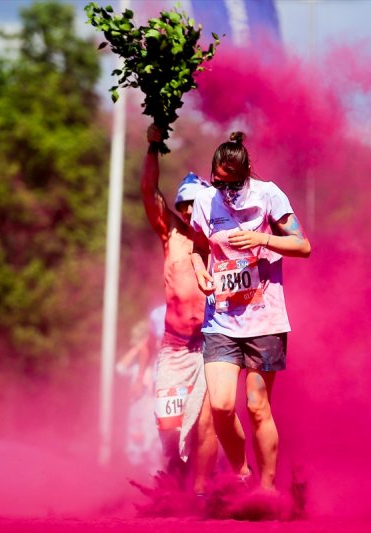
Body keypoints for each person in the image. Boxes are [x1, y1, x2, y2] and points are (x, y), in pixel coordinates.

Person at [190, 131, 311, 491]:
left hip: (265, 320)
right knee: (222, 407)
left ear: (247, 175)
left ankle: (268, 488)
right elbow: (198, 248)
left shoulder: (268, 194)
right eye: (219, 182)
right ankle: (242, 473)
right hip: (221, 320)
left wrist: (263, 239)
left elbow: (303, 246)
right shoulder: (204, 201)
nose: (226, 191)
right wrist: (199, 270)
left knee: (257, 406)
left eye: (234, 184)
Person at [140, 124, 221, 495]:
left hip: (210, 345)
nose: (189, 212)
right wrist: (153, 148)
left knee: (206, 423)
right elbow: (148, 192)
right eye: (184, 205)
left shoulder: (219, 240)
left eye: (195, 205)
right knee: (169, 427)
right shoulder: (170, 233)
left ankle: (208, 486)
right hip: (174, 348)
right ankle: (174, 480)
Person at [116, 304, 165, 469]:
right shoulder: (138, 369)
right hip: (138, 416)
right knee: (137, 451)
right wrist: (136, 349)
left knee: (154, 447)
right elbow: (120, 368)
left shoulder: (158, 365)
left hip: (154, 413)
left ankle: (158, 480)